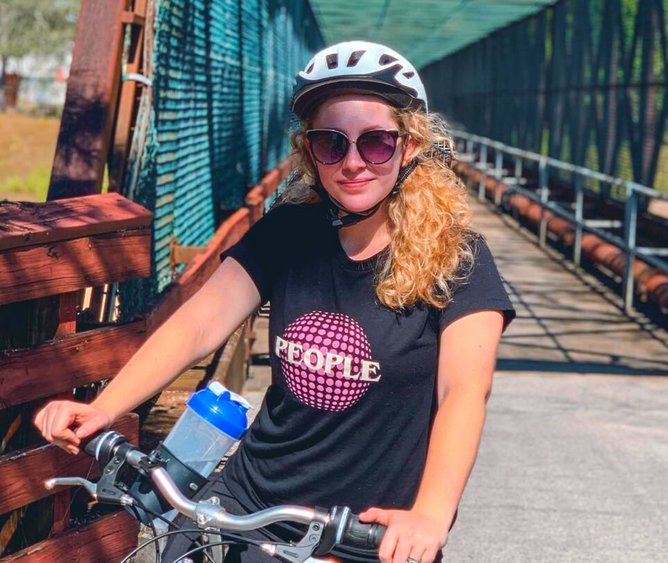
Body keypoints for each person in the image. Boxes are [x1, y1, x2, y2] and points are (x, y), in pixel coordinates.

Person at [33, 40, 515, 563]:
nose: (352, 162)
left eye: (375, 143)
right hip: (248, 504)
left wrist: (431, 514)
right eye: (331, 143)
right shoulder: (289, 232)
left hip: (362, 532)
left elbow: (464, 390)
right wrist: (104, 408)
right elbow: (200, 324)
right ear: (309, 151)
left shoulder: (457, 257)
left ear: (411, 146)